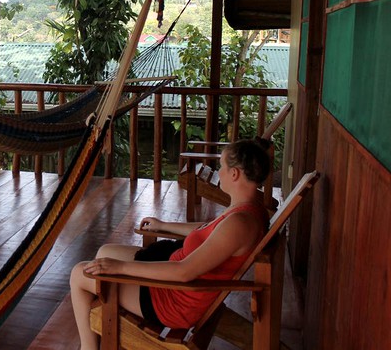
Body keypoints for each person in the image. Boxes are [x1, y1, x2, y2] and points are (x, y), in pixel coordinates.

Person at [69, 137, 272, 350]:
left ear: (234, 174)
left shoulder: (239, 224)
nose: (218, 172)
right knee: (105, 252)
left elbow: (183, 272)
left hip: (173, 300)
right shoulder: (247, 209)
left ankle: (88, 347)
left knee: (80, 274)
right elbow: (208, 231)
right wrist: (164, 225)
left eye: (221, 166)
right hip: (178, 287)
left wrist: (119, 267)